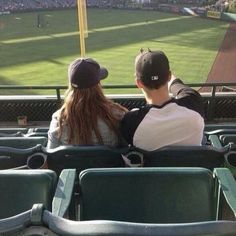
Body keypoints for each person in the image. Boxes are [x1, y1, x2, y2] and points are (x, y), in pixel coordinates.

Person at [120, 49, 205, 151]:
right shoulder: (193, 103)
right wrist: (169, 78)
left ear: (138, 83)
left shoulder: (131, 121)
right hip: (194, 166)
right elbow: (179, 86)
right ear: (169, 76)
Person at [47, 57, 127, 149]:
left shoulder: (58, 119)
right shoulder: (117, 115)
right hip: (111, 163)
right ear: (98, 85)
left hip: (70, 163)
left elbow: (50, 154)